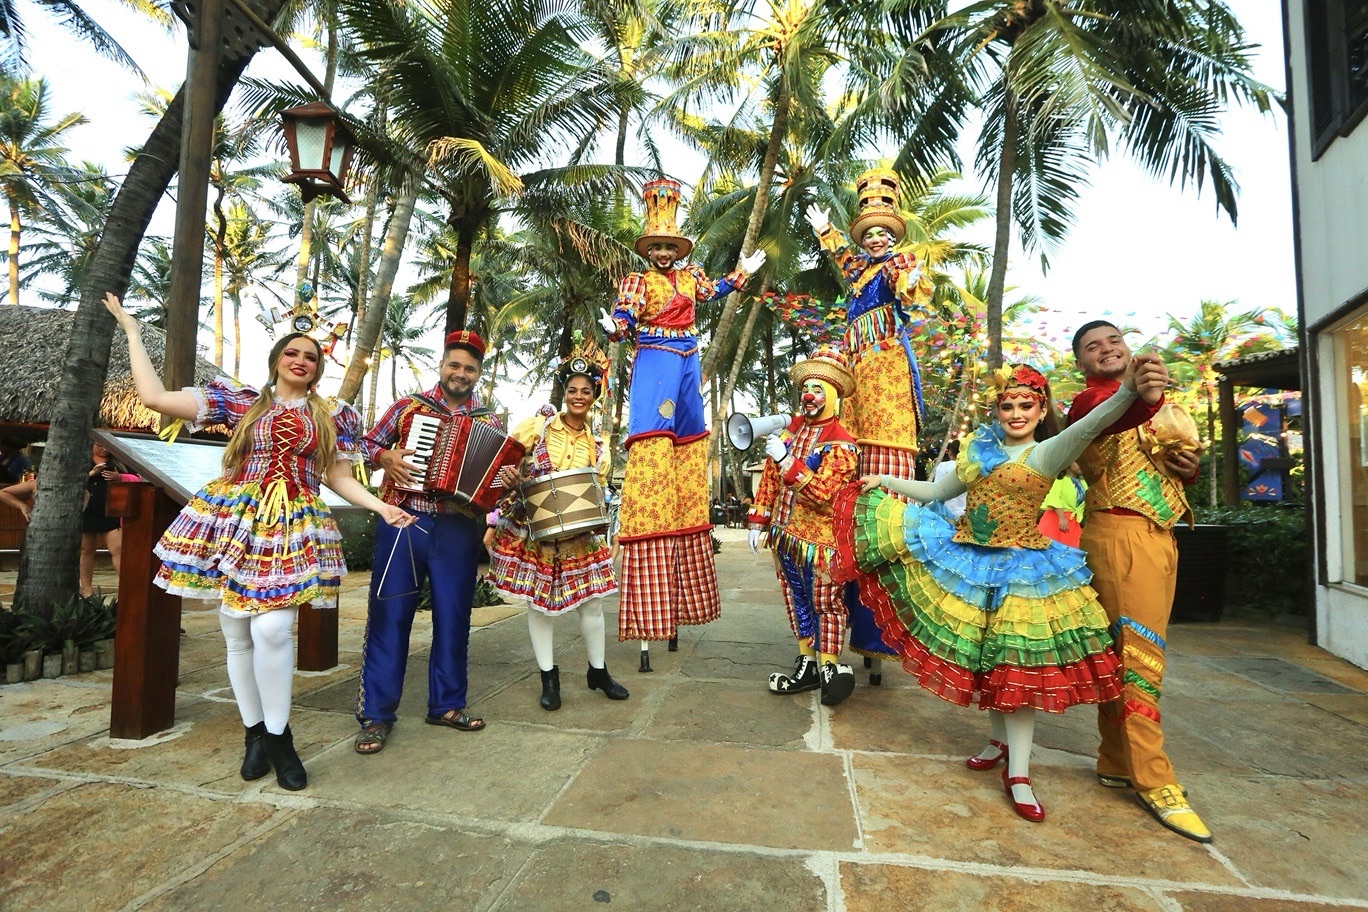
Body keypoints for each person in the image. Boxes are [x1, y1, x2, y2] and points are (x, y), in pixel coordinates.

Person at [835, 357, 1168, 822]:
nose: (1015, 413)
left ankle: (1020, 772)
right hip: (971, 564)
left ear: (1040, 409)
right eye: (1007, 405)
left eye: (1025, 405)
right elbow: (934, 493)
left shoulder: (1049, 451)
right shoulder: (978, 451)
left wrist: (1129, 391)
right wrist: (883, 480)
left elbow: (1096, 421)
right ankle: (997, 742)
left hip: (1024, 574)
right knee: (984, 659)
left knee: (1015, 672)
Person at [102, 291, 410, 791]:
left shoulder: (333, 416)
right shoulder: (240, 400)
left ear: (318, 368)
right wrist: (135, 332)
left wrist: (379, 506)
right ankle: (254, 736)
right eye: (293, 353)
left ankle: (280, 735)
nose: (302, 361)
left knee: (272, 630)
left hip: (292, 522)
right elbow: (156, 399)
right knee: (238, 632)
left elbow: (336, 476)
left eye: (311, 356)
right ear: (277, 359)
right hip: (234, 520)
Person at [599, 177, 765, 672]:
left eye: (672, 245)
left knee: (691, 440)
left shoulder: (691, 275)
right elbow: (625, 316)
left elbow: (715, 290)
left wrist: (742, 273)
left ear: (678, 247)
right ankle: (651, 545)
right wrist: (617, 325)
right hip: (654, 356)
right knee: (654, 439)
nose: (667, 253)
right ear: (651, 248)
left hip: (688, 357)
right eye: (660, 246)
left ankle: (685, 543)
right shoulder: (637, 280)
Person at [1070, 320, 1211, 843]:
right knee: (1141, 660)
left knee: (1125, 655)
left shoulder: (1158, 404)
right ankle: (1155, 779)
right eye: (1092, 346)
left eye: (1113, 341)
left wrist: (1189, 465)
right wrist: (1141, 393)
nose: (1106, 349)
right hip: (1121, 536)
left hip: (1160, 536)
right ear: (1082, 364)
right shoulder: (1090, 404)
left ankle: (1115, 759)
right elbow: (1114, 415)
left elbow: (1172, 465)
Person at [353, 329, 500, 754]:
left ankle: (447, 705)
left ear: (477, 374)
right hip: (404, 520)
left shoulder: (488, 421)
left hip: (457, 526)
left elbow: (493, 485)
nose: (461, 373)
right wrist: (385, 457)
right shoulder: (407, 408)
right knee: (390, 616)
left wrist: (506, 480)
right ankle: (377, 716)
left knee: (454, 618)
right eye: (454, 364)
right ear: (441, 365)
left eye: (469, 368)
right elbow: (364, 445)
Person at [488, 343, 629, 711]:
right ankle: (548, 677)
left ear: (594, 396)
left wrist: (612, 530)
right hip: (535, 528)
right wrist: (509, 477)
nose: (579, 396)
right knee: (540, 606)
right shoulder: (537, 426)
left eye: (586, 391)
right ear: (563, 394)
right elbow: (502, 466)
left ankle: (598, 672)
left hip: (579, 533)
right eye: (572, 390)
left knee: (593, 605)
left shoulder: (599, 446)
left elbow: (600, 493)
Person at [747, 347, 860, 705]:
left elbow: (823, 493)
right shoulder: (792, 433)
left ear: (833, 395)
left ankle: (830, 665)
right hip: (786, 538)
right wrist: (758, 519)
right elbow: (769, 478)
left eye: (817, 389)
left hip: (821, 542)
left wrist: (788, 461)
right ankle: (807, 662)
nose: (808, 395)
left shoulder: (842, 444)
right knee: (795, 598)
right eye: (806, 388)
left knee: (825, 601)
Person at [805, 167, 931, 482]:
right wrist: (826, 230)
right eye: (869, 235)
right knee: (850, 428)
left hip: (885, 361)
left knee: (882, 427)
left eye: (880, 234)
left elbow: (899, 280)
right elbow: (843, 257)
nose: (875, 240)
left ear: (891, 238)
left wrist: (908, 282)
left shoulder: (895, 263)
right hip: (857, 361)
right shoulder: (860, 270)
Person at [79, 443, 140, 597]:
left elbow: (137, 479)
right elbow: (71, 480)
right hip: (87, 509)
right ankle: (86, 588)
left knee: (118, 548)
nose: (103, 449)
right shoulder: (83, 460)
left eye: (106, 446)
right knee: (86, 549)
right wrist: (91, 473)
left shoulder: (118, 462)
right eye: (99, 445)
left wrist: (119, 477)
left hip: (111, 509)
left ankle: (126, 587)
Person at [1038, 462, 1087, 548]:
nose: (1081, 466)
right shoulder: (1060, 479)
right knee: (1051, 550)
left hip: (1073, 521)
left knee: (1070, 552)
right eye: (1078, 462)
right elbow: (1054, 497)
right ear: (1069, 464)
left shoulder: (1082, 482)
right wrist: (1062, 518)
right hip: (1056, 520)